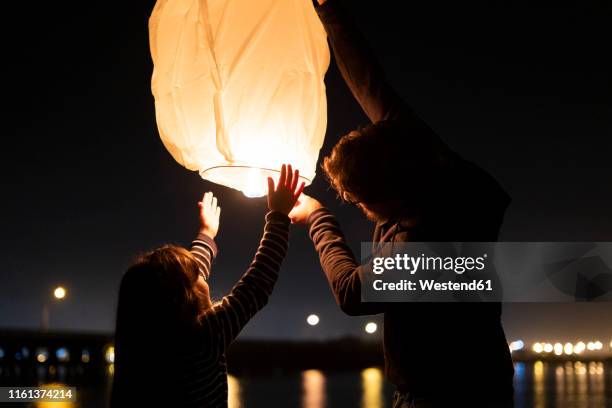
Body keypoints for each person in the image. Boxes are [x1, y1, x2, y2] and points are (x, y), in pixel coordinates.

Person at [289, 1, 514, 407]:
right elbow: (371, 83)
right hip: (483, 380)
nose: (358, 207)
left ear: (389, 196)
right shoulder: (427, 161)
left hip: (445, 395)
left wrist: (317, 217)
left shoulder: (424, 249)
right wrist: (331, 12)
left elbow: (350, 292)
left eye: (360, 201)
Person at [111, 164, 304, 407]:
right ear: (186, 298)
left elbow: (191, 274)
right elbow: (258, 283)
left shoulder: (140, 345)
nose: (203, 274)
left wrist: (206, 234)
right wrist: (278, 216)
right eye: (197, 276)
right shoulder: (203, 337)